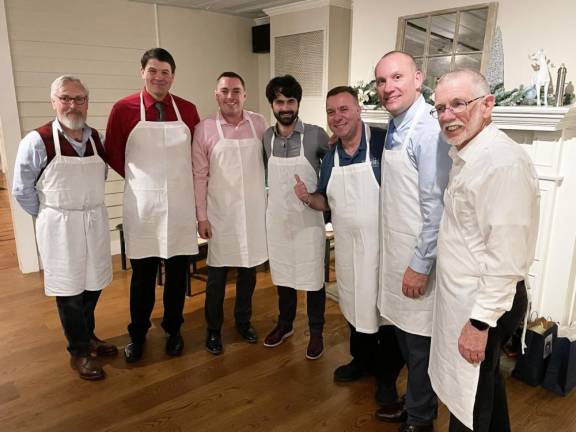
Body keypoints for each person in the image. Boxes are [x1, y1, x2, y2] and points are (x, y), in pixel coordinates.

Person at [429, 69, 539, 432]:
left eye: (458, 104)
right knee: (484, 387)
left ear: (487, 105)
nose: (447, 116)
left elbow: (506, 257)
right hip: (467, 300)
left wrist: (479, 323)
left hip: (485, 306)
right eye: (440, 107)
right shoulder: (468, 154)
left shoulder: (502, 163)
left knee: (470, 402)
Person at [293, 86, 404, 416]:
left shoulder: (385, 143)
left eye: (343, 109)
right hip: (350, 250)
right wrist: (307, 198)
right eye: (331, 112)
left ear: (358, 110)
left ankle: (386, 378)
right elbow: (325, 200)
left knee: (385, 316)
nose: (337, 117)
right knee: (355, 304)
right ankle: (362, 361)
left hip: (386, 251)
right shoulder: (330, 158)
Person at [12, 75, 117, 380]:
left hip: (93, 220)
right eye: (65, 98)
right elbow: (22, 189)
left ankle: (88, 334)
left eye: (79, 98)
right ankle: (79, 351)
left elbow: (102, 176)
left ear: (87, 102)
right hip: (60, 223)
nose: (73, 105)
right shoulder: (38, 140)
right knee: (70, 290)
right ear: (53, 102)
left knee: (93, 282)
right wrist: (51, 215)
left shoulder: (96, 138)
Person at [105, 48, 200, 363]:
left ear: (173, 75)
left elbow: (196, 156)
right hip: (143, 206)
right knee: (143, 277)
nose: (159, 77)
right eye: (153, 71)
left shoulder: (187, 109)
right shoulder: (124, 109)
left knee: (176, 275)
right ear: (142, 72)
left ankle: (174, 330)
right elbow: (114, 153)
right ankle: (138, 334)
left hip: (180, 206)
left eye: (165, 72)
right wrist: (143, 183)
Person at [374, 51, 451, 431]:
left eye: (397, 78)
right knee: (405, 340)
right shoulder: (396, 123)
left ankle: (421, 420)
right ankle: (416, 402)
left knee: (420, 347)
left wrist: (420, 266)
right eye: (382, 81)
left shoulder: (427, 131)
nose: (388, 88)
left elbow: (435, 210)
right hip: (396, 256)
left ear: (418, 79)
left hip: (419, 261)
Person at [192, 72, 268, 355]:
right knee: (217, 277)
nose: (230, 96)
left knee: (249, 273)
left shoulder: (259, 123)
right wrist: (202, 216)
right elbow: (199, 175)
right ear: (216, 95)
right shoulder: (205, 128)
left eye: (236, 91)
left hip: (252, 212)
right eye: (225, 91)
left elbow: (271, 163)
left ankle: (243, 320)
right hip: (221, 213)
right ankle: (213, 329)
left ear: (244, 95)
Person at [262, 75, 329, 359]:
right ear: (272, 105)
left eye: (291, 101)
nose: (285, 107)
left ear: (298, 103)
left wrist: (318, 200)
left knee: (314, 278)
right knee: (284, 275)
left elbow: (331, 175)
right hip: (278, 220)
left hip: (308, 220)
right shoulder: (266, 137)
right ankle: (285, 323)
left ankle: (316, 332)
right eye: (280, 101)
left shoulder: (316, 135)